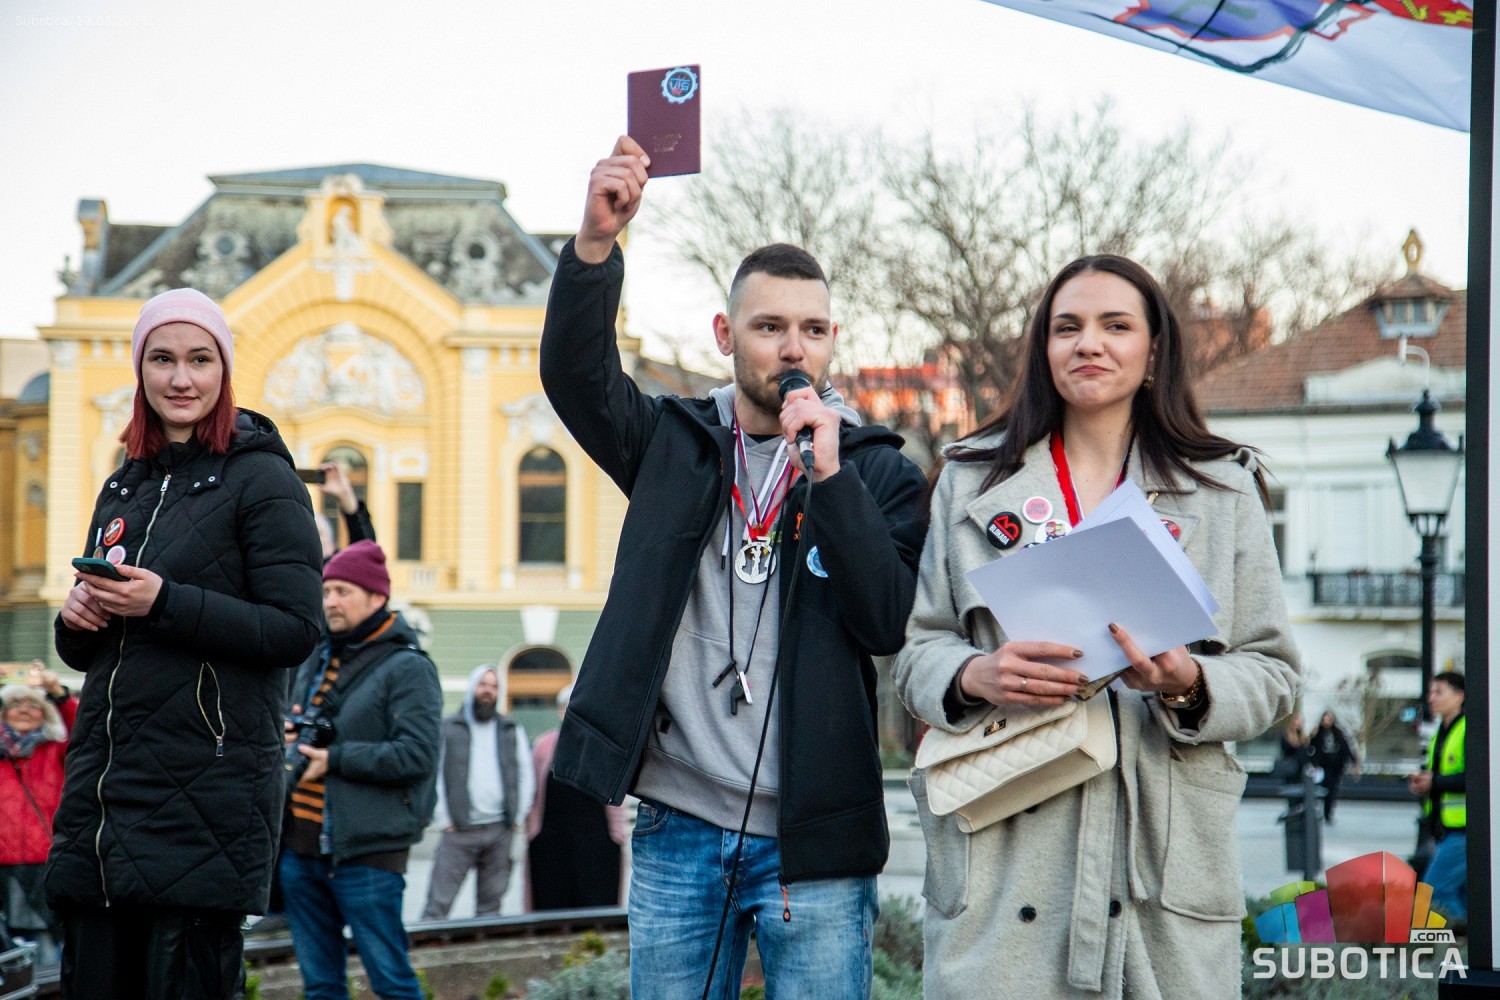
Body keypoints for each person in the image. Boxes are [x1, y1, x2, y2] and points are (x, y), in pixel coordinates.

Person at [538, 136, 927, 999]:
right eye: (770, 327)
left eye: (813, 330)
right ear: (726, 335)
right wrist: (596, 244)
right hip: (678, 829)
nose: (793, 349)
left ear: (832, 340)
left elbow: (887, 622)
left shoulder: (876, 472)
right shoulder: (669, 443)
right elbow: (575, 376)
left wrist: (830, 478)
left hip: (815, 845)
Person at [894, 254, 1301, 999]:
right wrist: (975, 674)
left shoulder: (1223, 490)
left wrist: (1189, 683)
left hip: (1162, 880)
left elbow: (1274, 674)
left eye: (1116, 326)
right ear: (1043, 350)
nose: (1089, 343)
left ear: (1154, 352)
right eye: (1068, 327)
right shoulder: (971, 480)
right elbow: (917, 651)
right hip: (1004, 870)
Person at [45, 287, 324, 999]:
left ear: (224, 371)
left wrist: (165, 602)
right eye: (162, 359)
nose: (180, 378)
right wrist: (76, 619)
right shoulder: (122, 487)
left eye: (200, 359)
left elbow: (296, 628)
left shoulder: (264, 479)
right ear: (140, 370)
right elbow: (89, 656)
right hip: (103, 804)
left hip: (204, 808)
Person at [279, 540, 442, 1000]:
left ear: (376, 597)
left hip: (367, 855)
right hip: (300, 851)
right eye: (326, 591)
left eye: (343, 591)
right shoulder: (318, 656)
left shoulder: (409, 668)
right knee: (320, 987)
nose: (330, 601)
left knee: (392, 984)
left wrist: (335, 759)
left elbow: (417, 754)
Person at [420, 664, 535, 920]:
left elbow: (525, 773)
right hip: (459, 831)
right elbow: (435, 773)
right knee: (437, 905)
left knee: (491, 908)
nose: (488, 691)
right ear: (472, 688)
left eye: (494, 686)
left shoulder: (510, 729)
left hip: (499, 830)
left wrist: (518, 816)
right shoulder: (450, 727)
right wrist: (443, 818)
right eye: (483, 685)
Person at [525, 684, 628, 912]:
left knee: (595, 907)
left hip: (596, 845)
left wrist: (618, 835)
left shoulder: (603, 747)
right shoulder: (543, 745)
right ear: (560, 711)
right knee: (552, 907)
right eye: (567, 707)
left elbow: (615, 796)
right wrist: (533, 832)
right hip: (551, 845)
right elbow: (532, 794)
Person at [0, 672, 76, 957]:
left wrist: (59, 694)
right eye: (15, 704)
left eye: (33, 705)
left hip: (44, 863)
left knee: (45, 943)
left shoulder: (55, 750)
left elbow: (83, 729)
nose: (24, 710)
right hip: (2, 865)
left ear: (45, 715)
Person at [1408, 671, 1466, 924]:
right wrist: (1425, 784)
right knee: (1460, 894)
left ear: (1459, 696)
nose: (1431, 697)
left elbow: (1477, 779)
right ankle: (1468, 942)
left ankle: (1466, 941)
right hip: (1446, 828)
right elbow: (1441, 775)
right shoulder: (1440, 732)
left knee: (1435, 892)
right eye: (1431, 691)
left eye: (1439, 691)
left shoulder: (1467, 730)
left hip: (1464, 830)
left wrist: (1434, 782)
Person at [1309, 710, 1360, 823]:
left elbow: (1345, 748)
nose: (1327, 721)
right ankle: (1321, 811)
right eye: (1325, 719)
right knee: (1324, 788)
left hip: (1336, 766)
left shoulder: (1338, 733)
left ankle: (1328, 813)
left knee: (1332, 790)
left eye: (1329, 719)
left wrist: (1354, 761)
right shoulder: (1318, 733)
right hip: (1323, 766)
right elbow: (1310, 746)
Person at [1272, 712, 1312, 783]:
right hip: (1290, 769)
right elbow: (1285, 749)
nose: (1297, 723)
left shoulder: (1304, 737)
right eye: (1295, 721)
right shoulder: (1286, 736)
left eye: (1299, 721)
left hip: (1301, 771)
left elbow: (1307, 753)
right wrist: (1295, 742)